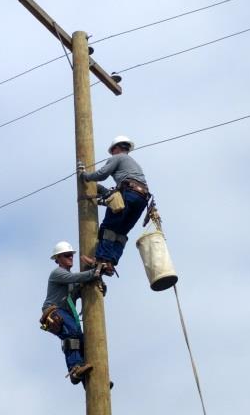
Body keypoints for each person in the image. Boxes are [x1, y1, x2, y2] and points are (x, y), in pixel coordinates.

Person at [79, 135, 150, 271]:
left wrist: (85, 176)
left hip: (129, 194)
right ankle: (110, 263)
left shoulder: (117, 157)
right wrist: (103, 193)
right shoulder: (134, 164)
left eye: (112, 151)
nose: (111, 154)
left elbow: (102, 174)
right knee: (121, 232)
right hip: (142, 199)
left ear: (116, 148)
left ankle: (100, 260)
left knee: (108, 227)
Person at [40, 241, 102, 385]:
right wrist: (96, 271)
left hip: (67, 314)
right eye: (67, 255)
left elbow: (80, 288)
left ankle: (93, 382)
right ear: (58, 259)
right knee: (72, 333)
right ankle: (74, 368)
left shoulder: (71, 279)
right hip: (54, 310)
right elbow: (76, 278)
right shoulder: (58, 273)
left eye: (71, 255)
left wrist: (98, 284)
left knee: (81, 342)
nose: (70, 258)